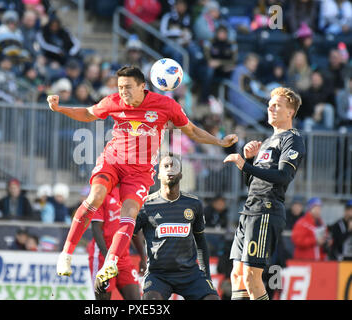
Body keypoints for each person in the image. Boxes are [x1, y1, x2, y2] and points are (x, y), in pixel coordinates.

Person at [48, 66, 238, 283]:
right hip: (112, 162)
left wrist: (219, 141)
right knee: (95, 197)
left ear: (142, 86)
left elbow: (192, 131)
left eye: (128, 87)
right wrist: (60, 108)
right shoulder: (113, 101)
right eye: (120, 87)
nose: (123, 92)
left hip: (139, 172)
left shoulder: (165, 105)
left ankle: (110, 262)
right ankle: (66, 254)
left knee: (130, 212)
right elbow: (89, 113)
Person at [223, 87, 306, 300]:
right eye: (270, 104)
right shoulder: (268, 141)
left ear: (290, 112)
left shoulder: (293, 139)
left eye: (277, 105)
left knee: (252, 276)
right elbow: (251, 183)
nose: (270, 107)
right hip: (250, 209)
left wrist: (244, 165)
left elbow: (283, 176)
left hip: (266, 211)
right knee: (237, 275)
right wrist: (250, 160)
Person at [133, 153, 219, 300]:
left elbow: (201, 241)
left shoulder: (194, 204)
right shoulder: (146, 205)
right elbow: (131, 233)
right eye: (165, 166)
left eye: (174, 166)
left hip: (190, 274)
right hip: (158, 274)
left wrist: (206, 275)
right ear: (158, 175)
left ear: (180, 175)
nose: (170, 169)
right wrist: (141, 256)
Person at [88, 186, 146, 300]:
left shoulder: (131, 195)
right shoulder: (102, 193)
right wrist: (108, 259)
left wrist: (143, 257)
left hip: (123, 258)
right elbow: (96, 228)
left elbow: (135, 230)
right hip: (102, 257)